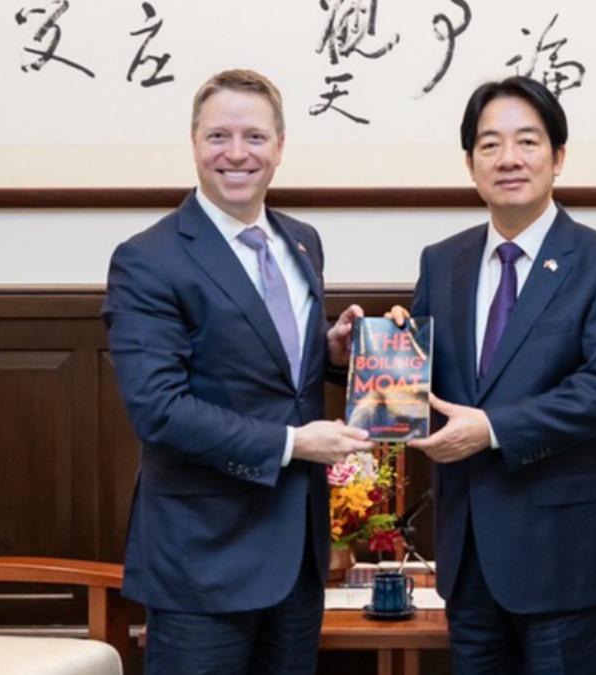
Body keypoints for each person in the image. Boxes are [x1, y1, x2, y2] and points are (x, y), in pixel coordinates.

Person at [102, 68, 372, 675]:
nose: (236, 153)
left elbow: (273, 370)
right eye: (218, 136)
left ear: (280, 147)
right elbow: (158, 408)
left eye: (253, 137)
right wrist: (293, 443)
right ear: (194, 144)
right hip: (204, 555)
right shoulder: (148, 259)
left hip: (296, 550)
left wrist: (330, 354)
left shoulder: (301, 241)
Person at [389, 76, 596, 674]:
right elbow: (420, 376)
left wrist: (493, 429)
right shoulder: (442, 260)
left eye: (527, 142)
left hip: (564, 556)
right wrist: (368, 354)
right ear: (470, 163)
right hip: (469, 552)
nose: (509, 159)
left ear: (557, 157)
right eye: (489, 145)